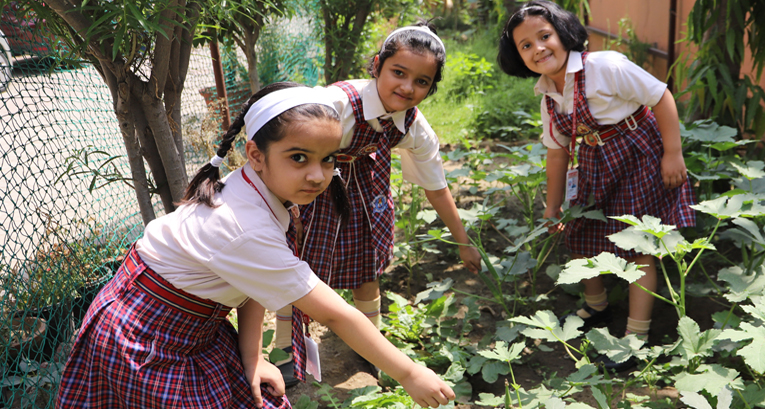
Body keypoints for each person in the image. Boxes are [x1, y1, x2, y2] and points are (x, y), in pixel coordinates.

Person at [56, 82, 455, 408]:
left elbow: (253, 285)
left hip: (193, 324)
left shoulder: (259, 191)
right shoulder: (243, 225)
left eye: (329, 159)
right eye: (299, 157)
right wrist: (410, 373)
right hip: (148, 336)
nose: (318, 176)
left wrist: (253, 358)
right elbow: (336, 315)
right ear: (255, 155)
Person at [272, 22, 482, 383]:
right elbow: (286, 137)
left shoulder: (414, 125)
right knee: (297, 273)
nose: (407, 87)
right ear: (377, 66)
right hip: (315, 191)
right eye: (398, 73)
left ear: (431, 88)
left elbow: (436, 186)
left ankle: (368, 345)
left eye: (421, 81)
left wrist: (463, 240)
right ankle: (284, 351)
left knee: (366, 270)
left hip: (367, 199)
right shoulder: (339, 103)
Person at [496, 1, 697, 371]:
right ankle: (598, 305)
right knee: (581, 233)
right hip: (594, 165)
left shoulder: (605, 66)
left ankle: (635, 339)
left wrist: (673, 153)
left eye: (544, 36)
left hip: (640, 156)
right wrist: (552, 206)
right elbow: (557, 153)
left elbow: (661, 96)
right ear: (517, 56)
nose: (538, 48)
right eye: (525, 45)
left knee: (640, 246)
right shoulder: (548, 94)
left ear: (564, 34)